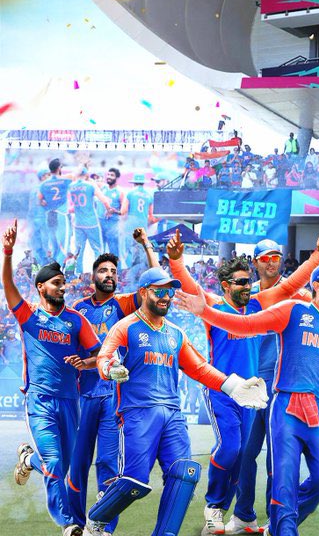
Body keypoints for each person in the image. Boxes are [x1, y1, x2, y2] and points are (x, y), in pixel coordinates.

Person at [176, 258, 319, 536]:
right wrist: (206, 311)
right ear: (317, 285)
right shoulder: (292, 310)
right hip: (287, 406)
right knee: (280, 481)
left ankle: (274, 524)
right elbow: (247, 325)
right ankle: (265, 520)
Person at [166, 228, 319, 534]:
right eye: (241, 283)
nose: (247, 287)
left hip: (255, 394)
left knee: (244, 454)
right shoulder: (213, 305)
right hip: (222, 390)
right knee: (231, 449)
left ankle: (248, 516)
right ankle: (215, 507)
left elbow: (291, 284)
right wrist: (176, 261)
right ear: (226, 286)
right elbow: (190, 286)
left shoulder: (258, 304)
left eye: (247, 282)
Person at [84, 267, 268, 536]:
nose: (166, 297)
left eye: (169, 292)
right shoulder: (125, 327)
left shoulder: (176, 333)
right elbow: (105, 356)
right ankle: (96, 520)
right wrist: (109, 368)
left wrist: (234, 386)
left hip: (172, 413)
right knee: (135, 481)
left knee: (185, 474)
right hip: (137, 413)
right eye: (159, 291)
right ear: (143, 292)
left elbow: (200, 368)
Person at [4, 220, 100, 536]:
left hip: (71, 402)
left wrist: (85, 363)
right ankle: (68, 523)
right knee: (56, 462)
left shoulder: (76, 320)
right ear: (41, 287)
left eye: (64, 283)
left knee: (63, 466)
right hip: (40, 401)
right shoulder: (29, 315)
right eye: (56, 283)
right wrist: (8, 253)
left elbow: (99, 355)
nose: (62, 287)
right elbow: (8, 285)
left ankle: (28, 460)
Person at [67, 231, 160, 534]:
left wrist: (146, 246)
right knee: (77, 464)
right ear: (92, 276)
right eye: (104, 271)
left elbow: (156, 282)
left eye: (113, 272)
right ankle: (75, 524)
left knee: (108, 462)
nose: (109, 275)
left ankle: (103, 527)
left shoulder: (123, 304)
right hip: (82, 396)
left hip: (112, 396)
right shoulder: (77, 309)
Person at [68, 168, 113, 274]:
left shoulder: (71, 186)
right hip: (91, 223)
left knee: (78, 250)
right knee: (97, 249)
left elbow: (71, 205)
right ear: (86, 175)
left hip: (78, 223)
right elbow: (104, 200)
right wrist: (109, 209)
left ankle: (78, 274)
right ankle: (99, 272)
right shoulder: (90, 186)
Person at [40, 158, 73, 263]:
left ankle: (51, 267)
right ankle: (56, 269)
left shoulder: (44, 184)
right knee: (64, 247)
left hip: (50, 215)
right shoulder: (64, 180)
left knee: (54, 246)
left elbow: (40, 200)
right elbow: (77, 175)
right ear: (59, 168)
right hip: (61, 215)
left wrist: (44, 202)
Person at [120, 174, 155, 274]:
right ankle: (139, 272)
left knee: (128, 249)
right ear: (143, 183)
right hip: (143, 227)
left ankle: (129, 270)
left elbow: (123, 211)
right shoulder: (149, 196)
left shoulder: (130, 193)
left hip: (130, 226)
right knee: (140, 250)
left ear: (134, 183)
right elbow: (151, 217)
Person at [100, 168, 125, 257]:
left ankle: (116, 266)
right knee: (100, 250)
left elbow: (123, 211)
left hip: (113, 225)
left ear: (117, 178)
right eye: (108, 174)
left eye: (112, 175)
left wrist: (115, 211)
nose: (109, 177)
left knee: (114, 252)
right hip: (100, 223)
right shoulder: (102, 188)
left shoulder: (120, 192)